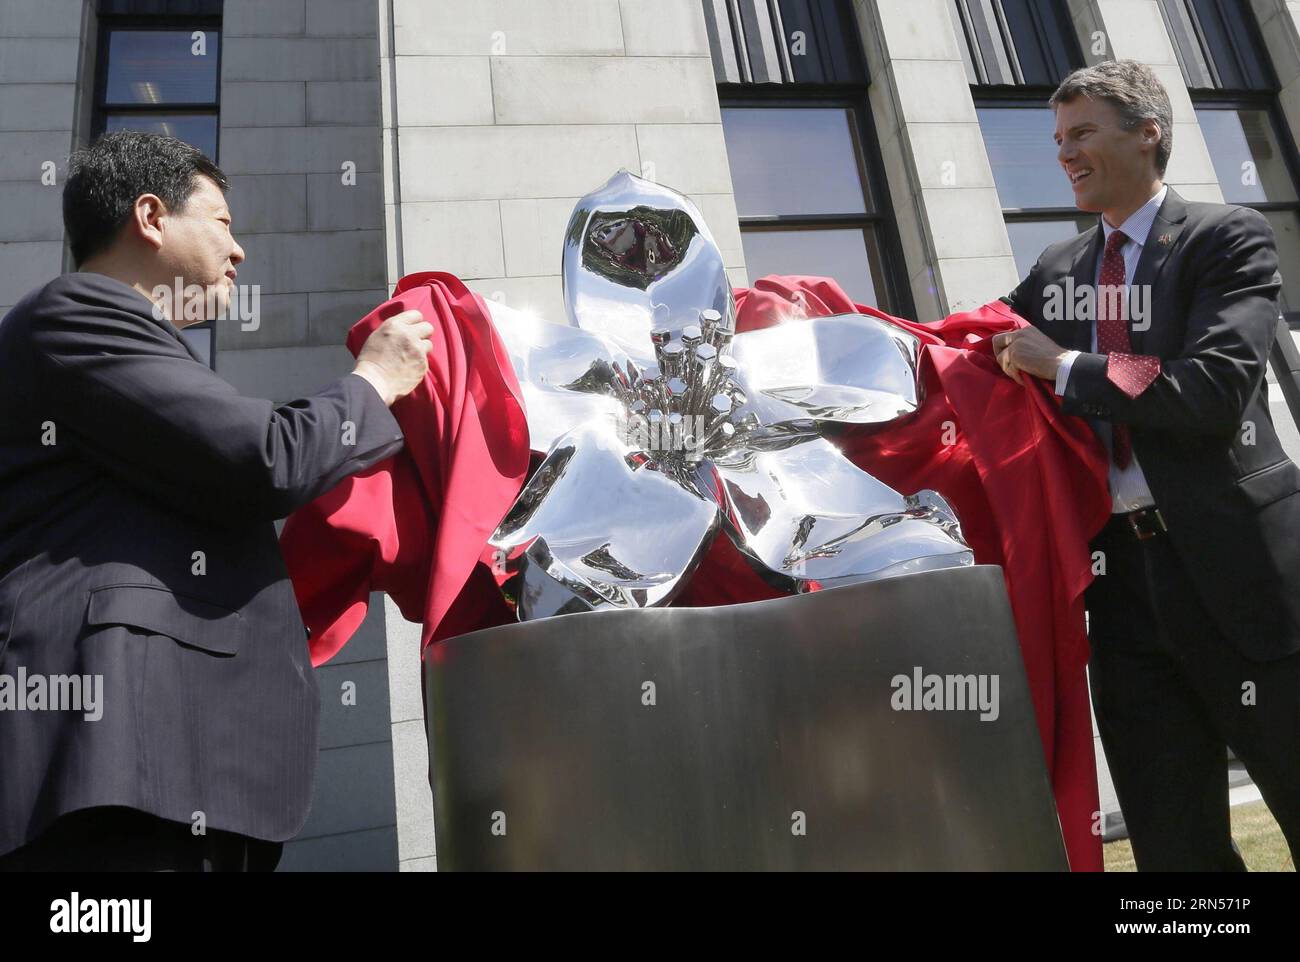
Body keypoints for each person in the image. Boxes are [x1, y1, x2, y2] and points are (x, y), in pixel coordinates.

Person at [0, 131, 432, 870]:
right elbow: (264, 456)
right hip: (117, 773)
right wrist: (374, 382)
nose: (240, 253)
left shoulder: (122, 341)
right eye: (223, 223)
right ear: (150, 215)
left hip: (167, 771)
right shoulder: (75, 314)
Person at [996, 60, 1300, 870]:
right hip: (1121, 591)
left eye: (1083, 132)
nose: (1065, 153)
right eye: (1059, 140)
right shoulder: (1057, 271)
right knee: (1173, 850)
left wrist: (1065, 367)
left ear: (1148, 132)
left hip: (1246, 579)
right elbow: (966, 350)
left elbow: (1208, 389)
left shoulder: (1225, 236)